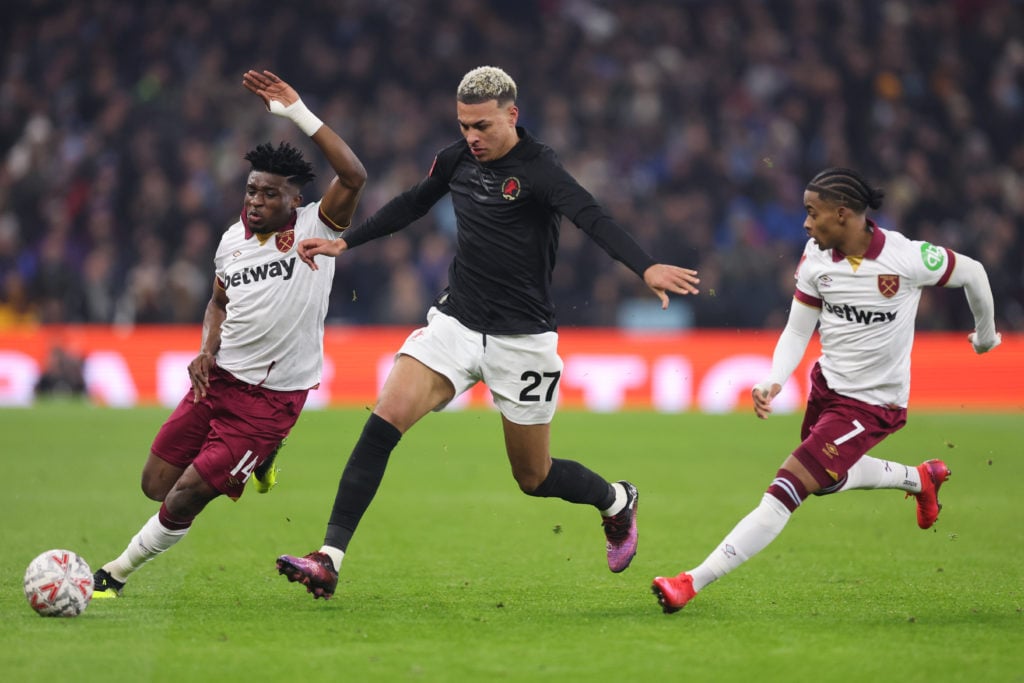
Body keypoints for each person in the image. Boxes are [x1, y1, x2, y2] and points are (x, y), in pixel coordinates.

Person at [276, 65, 701, 599]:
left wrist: (644, 268)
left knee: (534, 478)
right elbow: (413, 201)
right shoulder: (455, 160)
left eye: (482, 126)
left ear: (512, 115)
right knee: (383, 420)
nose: (472, 138)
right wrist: (348, 241)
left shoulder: (541, 170)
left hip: (522, 340)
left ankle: (616, 501)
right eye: (463, 126)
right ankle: (329, 558)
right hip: (456, 323)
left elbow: (593, 219)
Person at [652, 167, 1002, 613]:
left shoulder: (907, 258)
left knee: (786, 488)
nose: (804, 223)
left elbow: (972, 271)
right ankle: (920, 478)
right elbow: (798, 329)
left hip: (873, 405)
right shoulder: (816, 259)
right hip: (827, 389)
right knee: (825, 482)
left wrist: (986, 335)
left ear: (842, 215)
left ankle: (690, 582)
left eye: (811, 213)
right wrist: (774, 378)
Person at [90, 70, 367, 597]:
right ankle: (260, 460)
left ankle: (115, 574)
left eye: (268, 193)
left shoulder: (317, 226)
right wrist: (205, 349)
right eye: (250, 190)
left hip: (270, 403)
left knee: (188, 494)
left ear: (292, 199)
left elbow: (354, 175)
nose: (256, 200)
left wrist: (298, 113)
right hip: (217, 381)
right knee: (156, 485)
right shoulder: (229, 242)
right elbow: (217, 302)